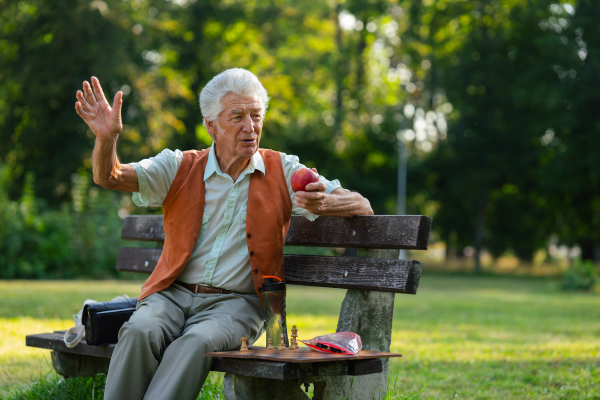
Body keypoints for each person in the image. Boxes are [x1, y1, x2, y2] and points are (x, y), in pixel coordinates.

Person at [75, 68, 373, 400]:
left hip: (239, 303)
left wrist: (322, 202)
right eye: (238, 117)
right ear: (211, 126)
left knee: (196, 342)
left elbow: (362, 205)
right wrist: (107, 138)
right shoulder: (178, 166)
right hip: (171, 295)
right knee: (138, 331)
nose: (251, 127)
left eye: (256, 116)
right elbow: (110, 177)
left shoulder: (284, 169)